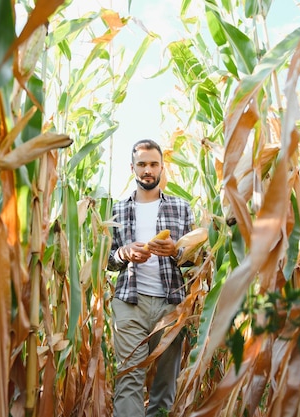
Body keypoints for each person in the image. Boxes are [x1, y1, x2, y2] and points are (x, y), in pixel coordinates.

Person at [107, 139, 196, 416]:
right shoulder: (116, 210)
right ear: (132, 167)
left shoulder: (181, 208)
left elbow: (196, 259)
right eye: (142, 164)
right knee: (129, 376)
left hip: (170, 305)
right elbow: (107, 260)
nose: (148, 170)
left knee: (164, 382)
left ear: (161, 167)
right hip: (129, 303)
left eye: (153, 164)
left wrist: (176, 251)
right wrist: (124, 253)